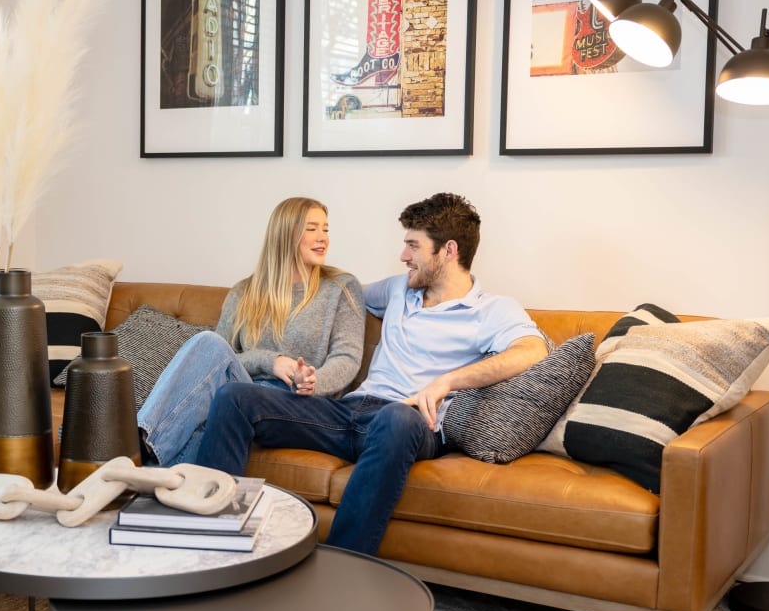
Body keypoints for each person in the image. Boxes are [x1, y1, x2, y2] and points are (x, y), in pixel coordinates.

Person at [194, 193, 549, 555]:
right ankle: (206, 536)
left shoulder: (491, 310)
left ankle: (342, 563)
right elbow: (331, 293)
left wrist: (447, 382)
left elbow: (533, 350)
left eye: (413, 246)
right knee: (236, 398)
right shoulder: (398, 289)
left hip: (409, 422)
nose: (403, 256)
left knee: (397, 417)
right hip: (346, 414)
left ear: (448, 251)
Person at [137, 196, 365, 466]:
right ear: (285, 234)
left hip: (300, 402)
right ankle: (162, 487)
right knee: (209, 349)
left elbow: (347, 357)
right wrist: (272, 362)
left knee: (212, 384)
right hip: (239, 397)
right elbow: (220, 361)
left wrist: (312, 381)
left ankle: (138, 445)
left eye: (325, 229)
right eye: (312, 228)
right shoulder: (245, 292)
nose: (323, 237)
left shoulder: (340, 287)